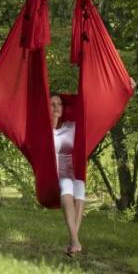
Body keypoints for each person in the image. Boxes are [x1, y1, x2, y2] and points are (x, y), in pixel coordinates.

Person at [51, 92, 85, 256]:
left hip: (72, 171)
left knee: (80, 185)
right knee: (67, 184)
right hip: (53, 174)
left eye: (59, 104)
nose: (57, 107)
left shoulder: (71, 126)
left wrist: (126, 90)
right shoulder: (42, 132)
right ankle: (75, 240)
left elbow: (94, 112)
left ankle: (73, 241)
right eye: (53, 104)